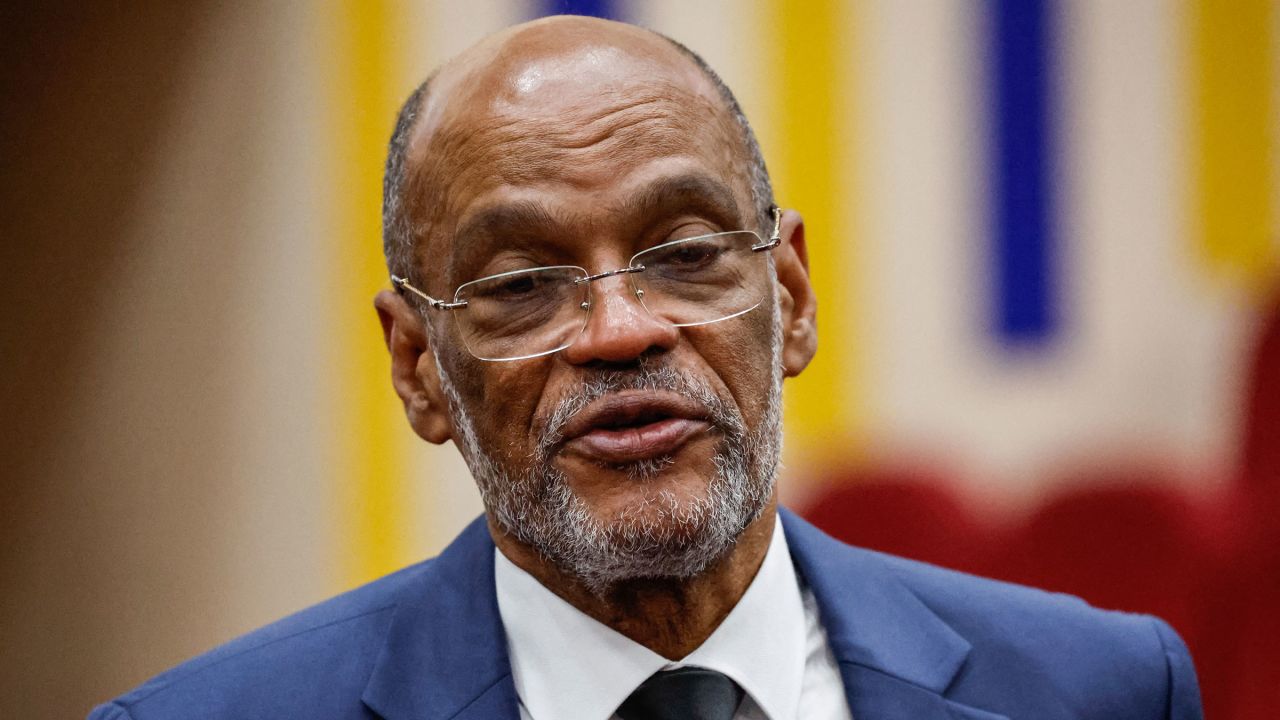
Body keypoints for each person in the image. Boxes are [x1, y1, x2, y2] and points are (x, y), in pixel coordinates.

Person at [88, 15, 1202, 720]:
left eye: (683, 254)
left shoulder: (1099, 690)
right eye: (521, 282)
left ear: (791, 298)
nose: (620, 330)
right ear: (419, 366)